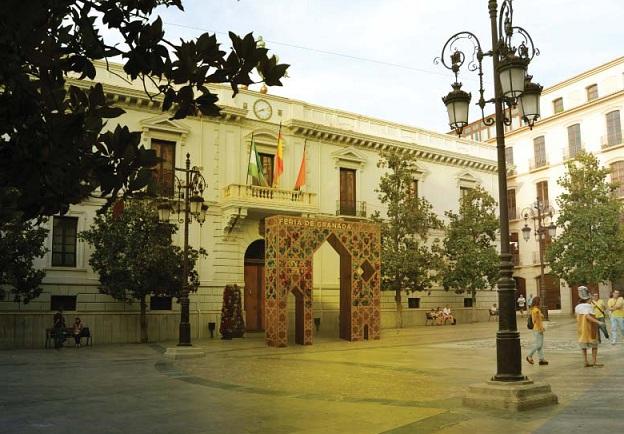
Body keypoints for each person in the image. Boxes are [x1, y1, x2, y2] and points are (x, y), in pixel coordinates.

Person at [576, 286, 604, 367]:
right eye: (590, 299)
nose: (591, 300)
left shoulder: (577, 307)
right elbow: (587, 316)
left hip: (581, 329)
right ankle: (594, 362)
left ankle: (585, 362)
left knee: (583, 347)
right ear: (588, 299)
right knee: (594, 346)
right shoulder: (587, 306)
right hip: (590, 329)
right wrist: (598, 322)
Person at [526, 296, 548, 366]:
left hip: (537, 328)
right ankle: (529, 356)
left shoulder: (535, 309)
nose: (541, 303)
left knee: (540, 345)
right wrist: (541, 329)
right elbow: (536, 321)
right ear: (538, 302)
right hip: (538, 329)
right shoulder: (536, 310)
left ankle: (541, 359)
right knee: (538, 344)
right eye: (540, 301)